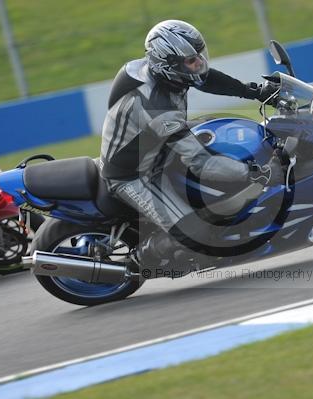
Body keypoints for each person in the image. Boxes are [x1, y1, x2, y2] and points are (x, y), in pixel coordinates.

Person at [100, 19, 281, 275]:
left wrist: (255, 91)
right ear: (167, 64)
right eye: (191, 61)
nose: (199, 64)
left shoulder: (155, 71)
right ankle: (139, 261)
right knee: (196, 233)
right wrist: (255, 173)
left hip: (157, 149)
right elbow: (202, 163)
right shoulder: (156, 106)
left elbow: (207, 79)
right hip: (134, 174)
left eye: (199, 56)